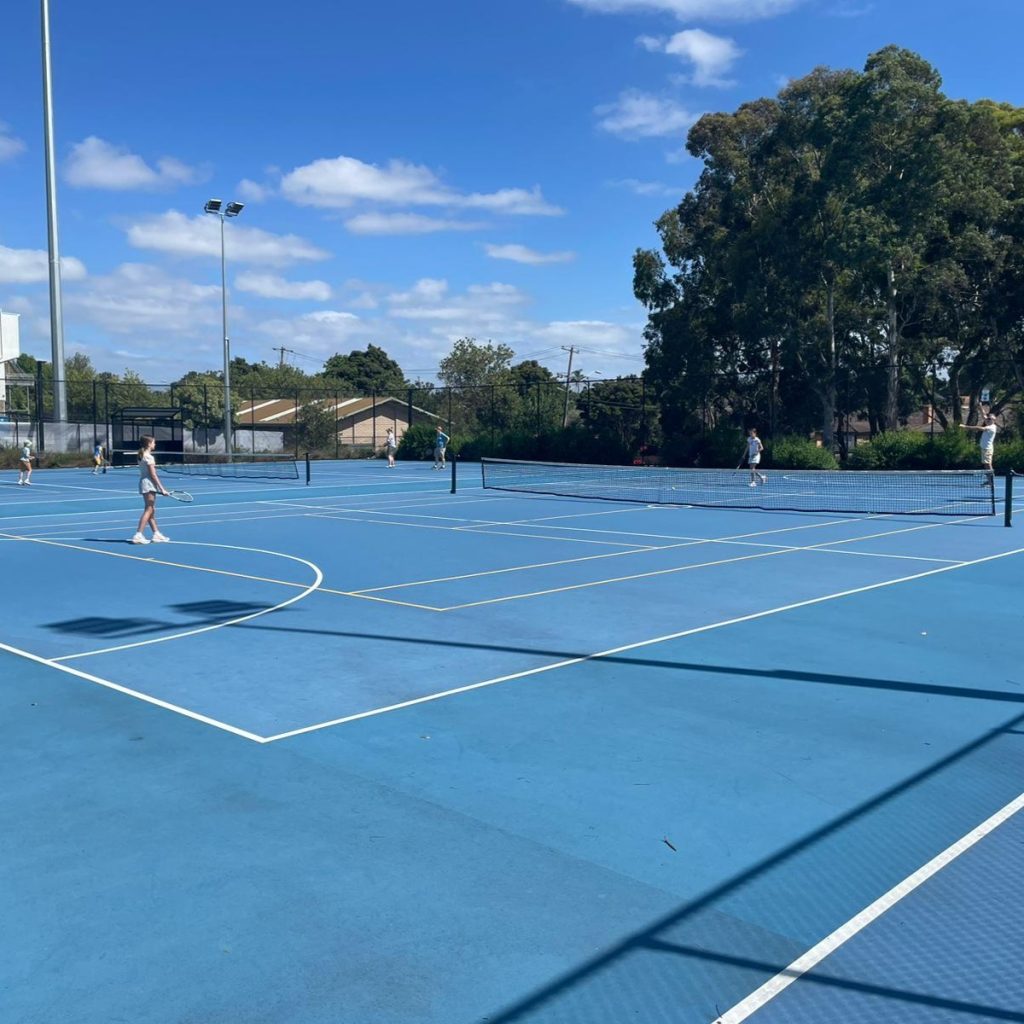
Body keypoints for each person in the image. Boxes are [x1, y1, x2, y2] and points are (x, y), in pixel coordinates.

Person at [130, 435, 170, 544]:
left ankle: (156, 534)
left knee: (151, 509)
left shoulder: (142, 455)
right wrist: (162, 489)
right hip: (148, 484)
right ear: (149, 444)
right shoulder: (149, 457)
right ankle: (138, 534)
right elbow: (153, 475)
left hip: (145, 483)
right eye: (153, 442)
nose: (155, 444)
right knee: (149, 509)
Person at [962, 412, 998, 484]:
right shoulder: (989, 423)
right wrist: (980, 406)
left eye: (989, 419)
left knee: (988, 465)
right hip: (984, 448)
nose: (987, 419)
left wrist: (966, 427)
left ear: (994, 420)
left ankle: (991, 481)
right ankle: (989, 480)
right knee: (986, 464)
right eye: (987, 418)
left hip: (987, 449)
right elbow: (983, 415)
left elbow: (979, 428)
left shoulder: (991, 427)